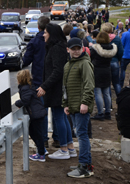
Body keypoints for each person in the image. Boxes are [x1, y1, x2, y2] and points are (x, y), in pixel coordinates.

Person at [37, 23, 76, 159]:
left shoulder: (56, 49)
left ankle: (64, 149)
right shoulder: (57, 47)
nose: (43, 34)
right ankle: (70, 148)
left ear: (52, 34)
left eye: (46, 32)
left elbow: (57, 71)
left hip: (57, 89)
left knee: (59, 117)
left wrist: (44, 86)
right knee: (62, 117)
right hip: (58, 88)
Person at [23, 16, 59, 148]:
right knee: (56, 111)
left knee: (41, 111)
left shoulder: (34, 42)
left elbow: (26, 61)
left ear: (38, 27)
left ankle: (43, 139)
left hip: (39, 80)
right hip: (54, 80)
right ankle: (58, 138)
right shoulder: (55, 41)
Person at [63, 37, 95, 178]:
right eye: (73, 49)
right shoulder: (68, 65)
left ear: (82, 48)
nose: (76, 51)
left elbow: (89, 85)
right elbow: (65, 87)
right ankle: (84, 163)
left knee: (82, 135)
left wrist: (85, 103)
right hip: (73, 106)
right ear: (68, 49)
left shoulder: (84, 64)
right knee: (80, 134)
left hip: (82, 106)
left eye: (78, 48)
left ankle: (85, 167)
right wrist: (65, 104)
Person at [15, 70, 47, 162]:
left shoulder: (25, 88)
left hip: (36, 114)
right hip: (37, 113)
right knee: (34, 132)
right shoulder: (30, 86)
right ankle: (41, 150)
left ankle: (41, 154)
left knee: (36, 133)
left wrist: (17, 103)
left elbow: (25, 101)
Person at [90, 31, 117, 120]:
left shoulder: (95, 49)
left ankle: (100, 112)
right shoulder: (112, 48)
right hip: (107, 70)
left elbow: (90, 58)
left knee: (97, 92)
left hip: (97, 70)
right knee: (106, 92)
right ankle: (108, 112)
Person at [102, 23, 123, 97]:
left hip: (105, 62)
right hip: (115, 61)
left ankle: (109, 105)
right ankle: (121, 99)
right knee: (116, 83)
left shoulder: (102, 38)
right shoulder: (117, 38)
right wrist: (118, 59)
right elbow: (120, 51)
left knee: (107, 85)